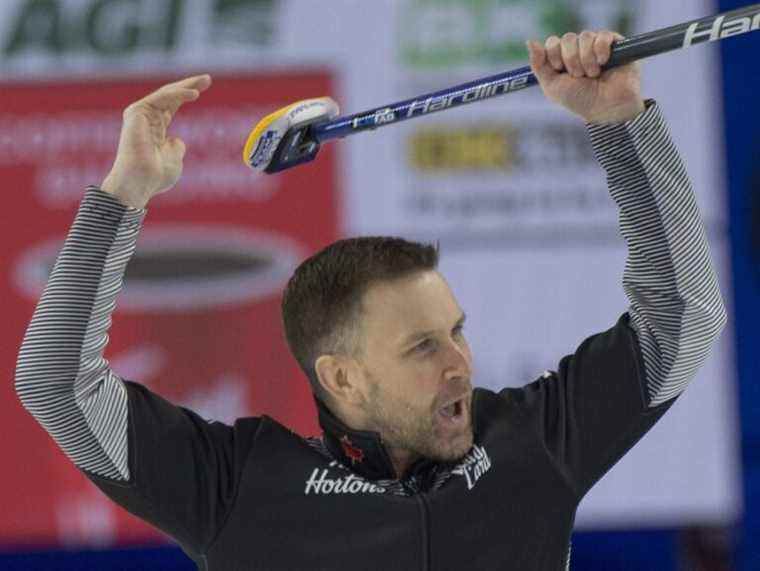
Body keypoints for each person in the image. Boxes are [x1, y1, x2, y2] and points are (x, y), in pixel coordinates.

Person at [15, 30, 726, 571]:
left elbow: (683, 318)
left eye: (456, 331)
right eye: (422, 345)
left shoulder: (527, 442)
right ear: (342, 375)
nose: (459, 364)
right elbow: (56, 384)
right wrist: (123, 194)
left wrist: (622, 122)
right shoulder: (239, 486)